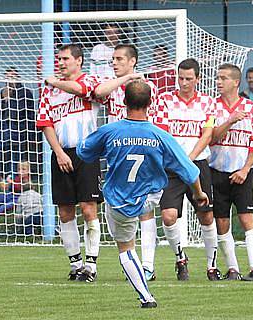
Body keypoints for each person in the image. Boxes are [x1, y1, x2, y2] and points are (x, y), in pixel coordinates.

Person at [77, 80, 208, 308]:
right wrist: (198, 194)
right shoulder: (161, 135)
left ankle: (146, 296)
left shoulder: (110, 131)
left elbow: (84, 152)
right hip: (150, 198)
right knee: (148, 213)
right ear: (150, 103)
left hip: (119, 201)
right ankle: (148, 263)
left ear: (124, 102)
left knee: (126, 248)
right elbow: (190, 170)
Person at [93, 43, 164, 281]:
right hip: (117, 156)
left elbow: (156, 121)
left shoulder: (147, 88)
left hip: (141, 153)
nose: (114, 62)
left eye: (119, 59)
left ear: (133, 61)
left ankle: (147, 265)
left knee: (144, 210)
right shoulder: (114, 85)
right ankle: (134, 264)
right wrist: (126, 79)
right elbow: (99, 92)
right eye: (113, 59)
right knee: (123, 211)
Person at [37, 43, 103, 282]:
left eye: (65, 59)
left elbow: (81, 89)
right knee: (65, 210)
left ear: (79, 61)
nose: (61, 63)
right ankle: (75, 264)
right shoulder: (49, 93)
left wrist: (54, 81)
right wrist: (58, 152)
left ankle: (91, 265)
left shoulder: (91, 80)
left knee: (88, 208)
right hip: (62, 153)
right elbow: (46, 123)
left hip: (87, 153)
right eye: (59, 59)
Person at [154, 58, 221, 281]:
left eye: (188, 79)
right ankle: (180, 258)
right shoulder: (164, 100)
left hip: (198, 164)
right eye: (180, 78)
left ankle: (212, 266)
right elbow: (163, 135)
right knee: (168, 216)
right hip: (172, 167)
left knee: (207, 215)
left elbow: (207, 134)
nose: (183, 82)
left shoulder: (208, 102)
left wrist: (189, 159)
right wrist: (180, 160)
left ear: (197, 79)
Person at [209, 63, 253, 281]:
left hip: (243, 172)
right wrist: (230, 121)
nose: (218, 82)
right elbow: (211, 137)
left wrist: (246, 168)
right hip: (217, 171)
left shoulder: (251, 108)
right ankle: (233, 268)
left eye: (223, 78)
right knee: (221, 221)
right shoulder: (212, 107)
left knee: (246, 218)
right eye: (217, 78)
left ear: (235, 82)